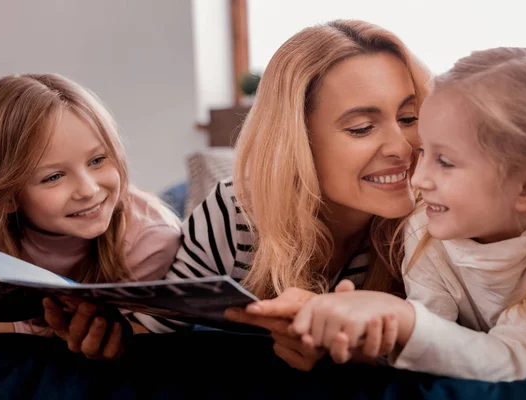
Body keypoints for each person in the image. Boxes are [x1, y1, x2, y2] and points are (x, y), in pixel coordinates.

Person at [44, 19, 430, 368]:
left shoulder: (437, 217)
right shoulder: (233, 214)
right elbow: (153, 330)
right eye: (362, 127)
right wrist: (107, 340)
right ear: (296, 140)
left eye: (409, 118)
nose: (402, 147)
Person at [291, 47, 526, 381]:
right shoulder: (423, 228)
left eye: (445, 161)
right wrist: (371, 330)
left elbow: (514, 357)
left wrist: (402, 317)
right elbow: (431, 345)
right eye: (423, 150)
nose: (417, 178)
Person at [0, 73, 182, 359]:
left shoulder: (151, 240)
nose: (88, 189)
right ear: (8, 196)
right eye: (54, 176)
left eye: (98, 160)